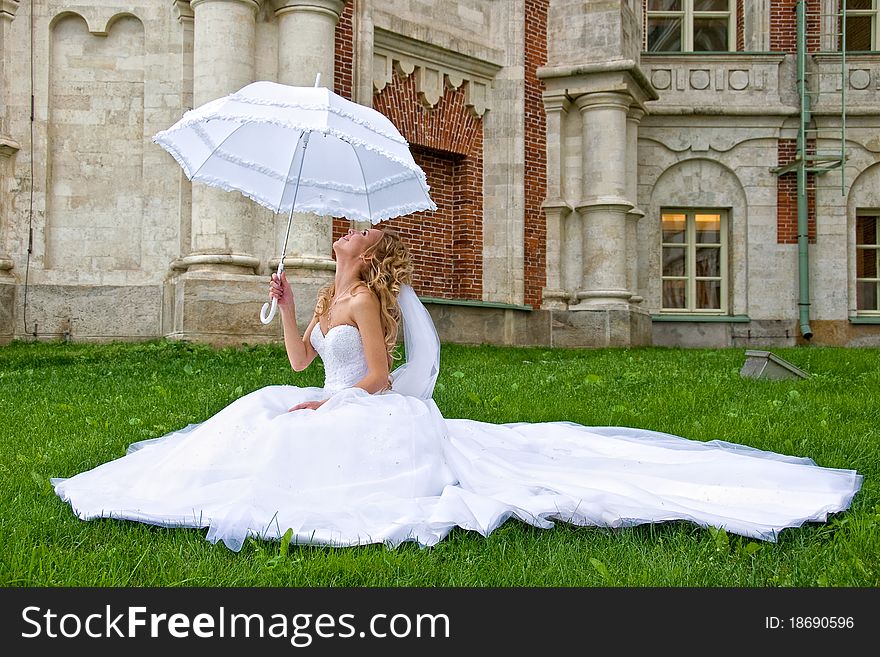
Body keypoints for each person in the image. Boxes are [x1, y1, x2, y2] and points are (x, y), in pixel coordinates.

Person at [52, 227, 863, 552]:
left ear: (370, 255)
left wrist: (327, 403)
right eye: (351, 226)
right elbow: (303, 361)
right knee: (255, 415)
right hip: (334, 392)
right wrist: (292, 308)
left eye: (362, 231)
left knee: (290, 432)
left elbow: (372, 377)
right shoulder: (329, 292)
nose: (350, 230)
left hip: (366, 411)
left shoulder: (366, 298)